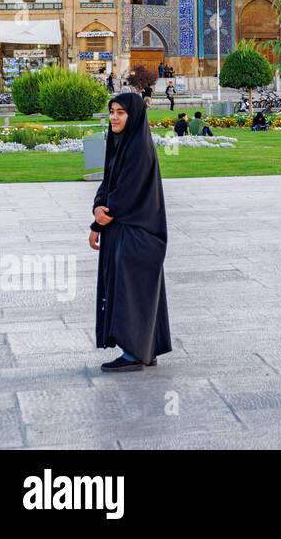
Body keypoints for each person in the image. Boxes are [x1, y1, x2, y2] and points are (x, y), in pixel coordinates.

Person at [89, 93, 173, 371]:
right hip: (125, 230)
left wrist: (99, 220)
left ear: (133, 116)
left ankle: (134, 355)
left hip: (138, 233)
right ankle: (144, 350)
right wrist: (97, 208)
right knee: (136, 292)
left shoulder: (138, 150)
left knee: (131, 293)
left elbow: (125, 193)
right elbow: (108, 182)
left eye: (121, 112)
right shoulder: (120, 144)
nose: (114, 117)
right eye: (112, 111)